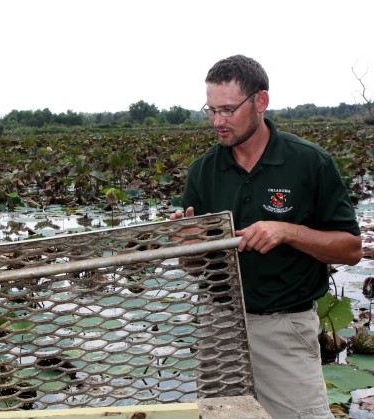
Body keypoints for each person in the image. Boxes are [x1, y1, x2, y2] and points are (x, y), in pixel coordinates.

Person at [171, 55, 362, 418]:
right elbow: (193, 265)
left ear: (261, 101)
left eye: (228, 110)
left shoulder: (309, 163)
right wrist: (190, 247)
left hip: (283, 325)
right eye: (210, 110)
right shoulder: (202, 172)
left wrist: (287, 231)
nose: (217, 122)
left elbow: (351, 249)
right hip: (219, 325)